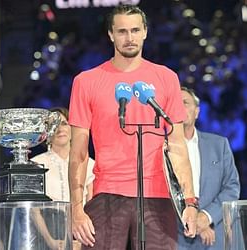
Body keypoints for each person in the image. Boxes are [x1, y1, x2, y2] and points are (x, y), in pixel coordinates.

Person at [68, 5, 198, 249]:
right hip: (106, 194)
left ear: (145, 32)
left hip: (158, 196)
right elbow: (79, 152)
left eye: (136, 30)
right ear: (110, 35)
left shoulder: (166, 78)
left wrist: (189, 203)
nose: (130, 38)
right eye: (122, 31)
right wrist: (76, 209)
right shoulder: (86, 82)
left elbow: (178, 146)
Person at [177, 87, 240, 249]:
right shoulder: (160, 148)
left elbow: (231, 187)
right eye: (175, 103)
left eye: (185, 102)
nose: (180, 106)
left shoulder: (219, 145)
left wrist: (206, 216)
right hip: (174, 237)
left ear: (197, 112)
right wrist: (191, 219)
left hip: (213, 237)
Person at [30, 107, 94, 250]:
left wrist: (82, 239)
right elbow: (34, 210)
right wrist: (51, 241)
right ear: (46, 133)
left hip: (82, 227)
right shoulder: (35, 165)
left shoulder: (89, 163)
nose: (60, 129)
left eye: (64, 123)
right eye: (54, 125)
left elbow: (92, 202)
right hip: (47, 229)